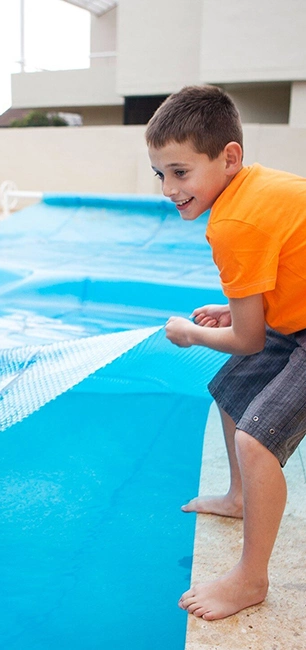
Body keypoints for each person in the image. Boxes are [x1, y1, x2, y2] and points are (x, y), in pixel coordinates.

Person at [145, 85, 306, 621]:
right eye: (160, 174)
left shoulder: (233, 223)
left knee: (256, 440)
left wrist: (190, 334)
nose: (168, 188)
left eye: (181, 172)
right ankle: (240, 498)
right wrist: (235, 308)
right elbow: (279, 272)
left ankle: (250, 580)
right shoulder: (252, 188)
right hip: (297, 315)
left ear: (229, 157)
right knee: (230, 386)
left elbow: (249, 340)